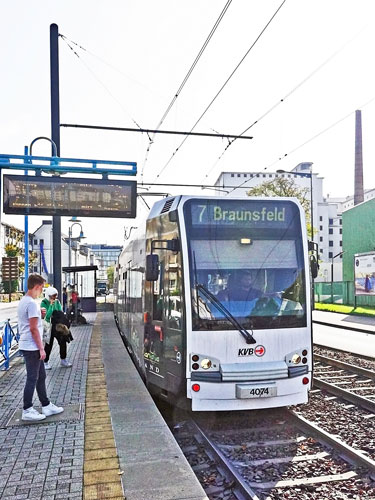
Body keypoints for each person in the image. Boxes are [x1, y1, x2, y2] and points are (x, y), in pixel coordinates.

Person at [17, 274, 64, 422]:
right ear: (36, 287)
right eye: (41, 288)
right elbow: (33, 329)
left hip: (29, 345)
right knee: (32, 378)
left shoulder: (25, 301)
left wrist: (40, 313)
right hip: (32, 346)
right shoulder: (31, 303)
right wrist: (41, 348)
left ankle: (46, 404)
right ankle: (27, 409)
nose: (41, 292)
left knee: (41, 376)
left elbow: (33, 321)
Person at [42, 287, 72, 369]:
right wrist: (51, 306)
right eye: (52, 296)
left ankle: (63, 359)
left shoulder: (57, 302)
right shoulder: (44, 302)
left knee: (63, 341)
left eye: (55, 296)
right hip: (49, 326)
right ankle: (45, 361)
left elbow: (60, 312)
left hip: (58, 326)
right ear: (48, 296)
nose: (54, 298)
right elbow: (47, 316)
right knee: (49, 344)